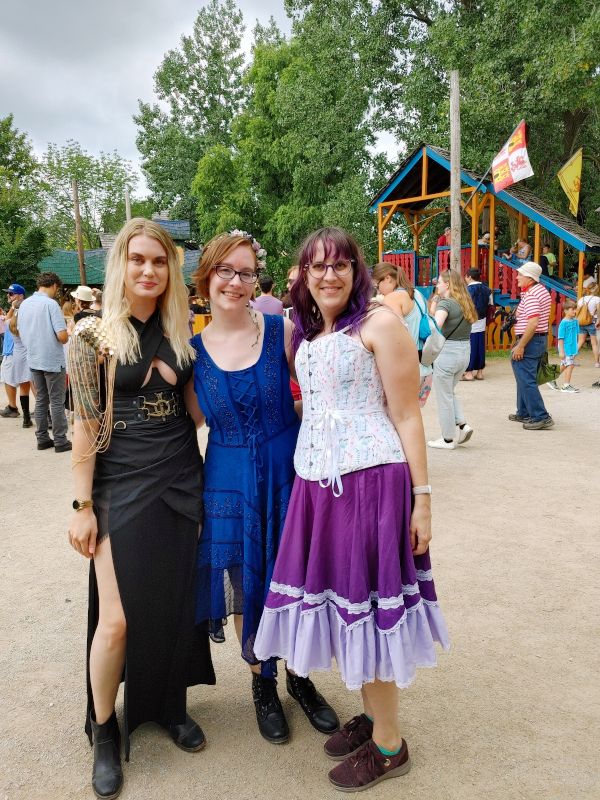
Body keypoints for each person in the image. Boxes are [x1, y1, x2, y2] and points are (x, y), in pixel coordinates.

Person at [254, 226, 449, 792]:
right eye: (317, 266)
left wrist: (423, 501)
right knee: (347, 605)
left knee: (368, 605)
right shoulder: (306, 332)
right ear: (303, 275)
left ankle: (390, 744)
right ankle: (372, 715)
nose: (329, 274)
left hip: (372, 487)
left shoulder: (381, 324)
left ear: (357, 271)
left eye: (340, 264)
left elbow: (408, 414)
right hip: (317, 488)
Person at [67, 218, 215, 799]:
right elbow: (83, 426)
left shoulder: (183, 336)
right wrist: (82, 505)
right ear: (120, 267)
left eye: (158, 261)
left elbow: (200, 414)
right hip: (118, 486)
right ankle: (106, 729)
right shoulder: (91, 338)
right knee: (118, 619)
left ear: (170, 269)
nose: (148, 271)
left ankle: (167, 708)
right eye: (138, 261)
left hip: (181, 480)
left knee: (174, 605)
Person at [189, 230, 338, 745]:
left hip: (287, 470)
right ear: (206, 276)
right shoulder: (190, 353)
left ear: (257, 279)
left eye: (245, 272)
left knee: (294, 576)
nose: (235, 281)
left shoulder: (283, 330)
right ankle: (261, 684)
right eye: (224, 271)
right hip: (226, 481)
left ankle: (298, 675)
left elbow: (321, 393)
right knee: (243, 586)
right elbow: (186, 426)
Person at [16, 272, 71, 452]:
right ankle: (61, 440)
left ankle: (42, 439)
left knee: (41, 399)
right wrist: (68, 333)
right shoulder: (51, 304)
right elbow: (62, 336)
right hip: (52, 359)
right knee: (56, 401)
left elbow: (20, 331)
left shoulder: (24, 304)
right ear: (54, 285)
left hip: (33, 358)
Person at [427, 270, 477, 449]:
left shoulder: (446, 303)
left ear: (447, 284)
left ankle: (447, 439)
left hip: (447, 353)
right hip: (464, 351)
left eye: (439, 282)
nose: (437, 285)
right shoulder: (464, 302)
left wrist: (431, 315)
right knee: (450, 392)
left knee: (444, 397)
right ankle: (463, 425)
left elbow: (436, 327)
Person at [371, 262, 433, 406]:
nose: (378, 291)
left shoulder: (392, 298)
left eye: (377, 285)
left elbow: (393, 336)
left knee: (397, 421)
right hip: (424, 368)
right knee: (412, 417)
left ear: (387, 278)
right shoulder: (416, 293)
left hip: (405, 369)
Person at [508, 261, 553, 430]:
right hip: (536, 340)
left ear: (529, 277)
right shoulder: (537, 291)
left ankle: (541, 416)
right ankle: (524, 411)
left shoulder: (533, 294)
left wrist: (521, 345)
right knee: (523, 376)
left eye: (520, 274)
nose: (517, 277)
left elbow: (533, 323)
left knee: (526, 378)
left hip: (530, 341)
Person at [0, 284, 33, 425]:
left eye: (11, 294)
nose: (8, 296)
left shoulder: (20, 310)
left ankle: (13, 407)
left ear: (20, 296)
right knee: (27, 382)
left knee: (13, 380)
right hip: (17, 350)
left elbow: (7, 323)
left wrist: (13, 307)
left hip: (14, 350)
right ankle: (31, 413)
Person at [463, 269, 492, 381]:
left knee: (470, 346)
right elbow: (490, 305)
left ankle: (469, 372)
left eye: (466, 277)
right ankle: (479, 372)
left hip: (470, 321)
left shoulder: (467, 290)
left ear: (469, 277)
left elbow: (465, 307)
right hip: (482, 320)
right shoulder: (487, 290)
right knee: (480, 345)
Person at [548, 300, 580, 392]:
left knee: (564, 365)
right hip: (565, 348)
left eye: (575, 309)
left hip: (572, 347)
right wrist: (561, 351)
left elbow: (577, 336)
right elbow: (560, 338)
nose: (574, 311)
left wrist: (576, 349)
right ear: (565, 310)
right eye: (572, 309)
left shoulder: (575, 321)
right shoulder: (563, 323)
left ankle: (551, 379)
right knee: (570, 365)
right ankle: (566, 386)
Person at [576, 282, 600, 367]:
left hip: (581, 322)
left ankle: (570, 360)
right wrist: (598, 320)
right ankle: (597, 363)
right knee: (594, 343)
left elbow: (577, 311)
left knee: (580, 342)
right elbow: (599, 311)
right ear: (594, 289)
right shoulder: (597, 299)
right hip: (592, 322)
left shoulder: (581, 299)